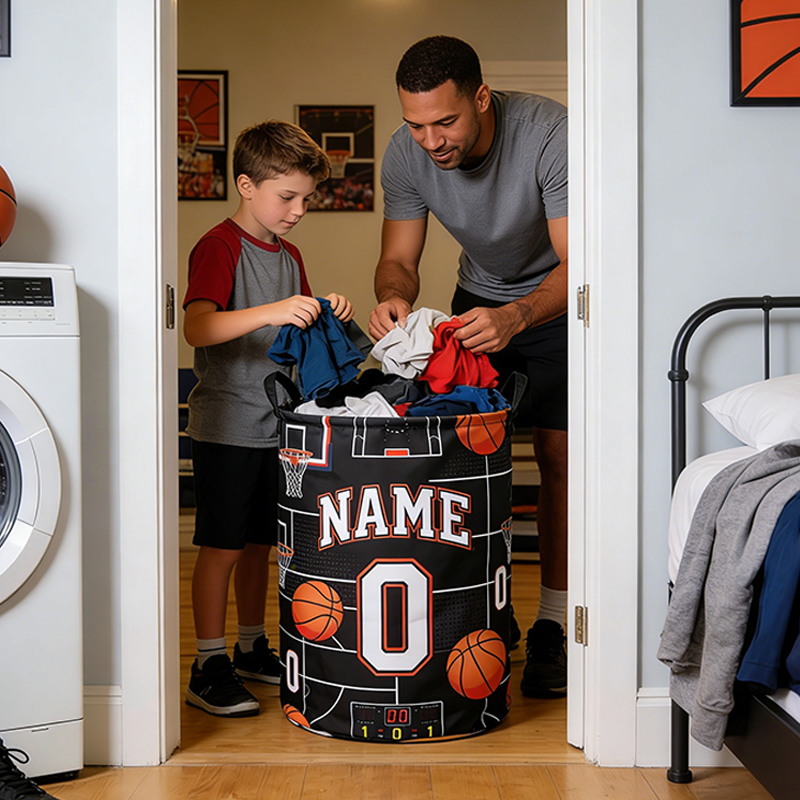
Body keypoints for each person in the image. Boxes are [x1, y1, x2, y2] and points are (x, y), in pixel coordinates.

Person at [369, 36, 569, 698]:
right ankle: (479, 609)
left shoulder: (549, 132)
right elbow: (398, 257)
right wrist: (394, 298)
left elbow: (583, 264)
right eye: (416, 124)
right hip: (474, 302)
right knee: (461, 457)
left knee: (558, 454)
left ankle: (554, 625)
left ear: (481, 99)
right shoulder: (406, 152)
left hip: (555, 303)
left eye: (445, 121)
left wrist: (517, 317)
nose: (430, 139)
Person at [183, 120, 354, 717]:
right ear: (246, 184)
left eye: (307, 198)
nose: (299, 210)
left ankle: (252, 646)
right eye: (288, 197)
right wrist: (272, 309)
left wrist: (320, 307)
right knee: (223, 546)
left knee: (262, 545)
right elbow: (198, 327)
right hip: (227, 426)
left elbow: (291, 327)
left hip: (278, 428)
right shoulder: (219, 246)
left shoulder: (292, 254)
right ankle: (207, 662)